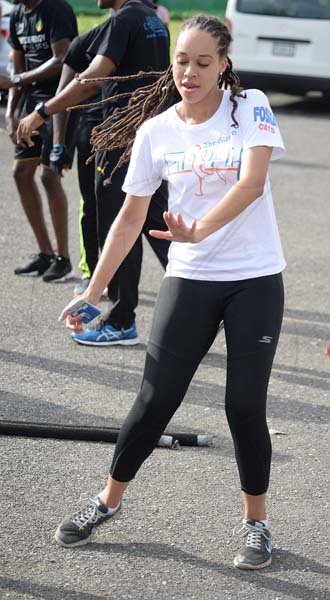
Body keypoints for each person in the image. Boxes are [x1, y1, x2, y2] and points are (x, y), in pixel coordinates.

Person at [53, 14, 286, 570]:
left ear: (223, 65)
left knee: (244, 405)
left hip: (254, 276)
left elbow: (252, 183)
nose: (190, 71)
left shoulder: (248, 105)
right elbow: (130, 217)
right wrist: (96, 290)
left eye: (204, 62)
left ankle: (257, 523)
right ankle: (106, 502)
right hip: (191, 277)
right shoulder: (156, 131)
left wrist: (202, 228)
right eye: (182, 60)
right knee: (155, 400)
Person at [17, 0, 171, 344]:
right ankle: (205, 302)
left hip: (119, 135)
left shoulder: (124, 19)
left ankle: (120, 321)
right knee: (158, 223)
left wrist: (43, 110)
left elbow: (91, 78)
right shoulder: (152, 20)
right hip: (146, 134)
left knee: (120, 226)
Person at [3, 0, 77, 281]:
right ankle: (45, 254)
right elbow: (16, 69)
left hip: (59, 102)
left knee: (49, 177)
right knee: (21, 174)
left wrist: (19, 79)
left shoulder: (56, 9)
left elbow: (61, 60)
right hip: (30, 103)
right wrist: (10, 114)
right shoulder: (18, 14)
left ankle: (63, 258)